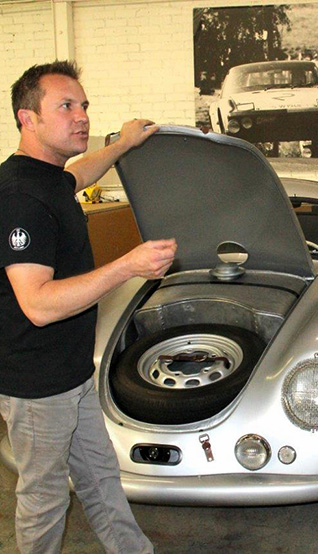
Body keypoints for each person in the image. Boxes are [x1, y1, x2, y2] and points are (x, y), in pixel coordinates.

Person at [0, 60, 177, 553]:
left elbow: (77, 174)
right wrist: (128, 266)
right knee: (44, 499)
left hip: (71, 375)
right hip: (37, 388)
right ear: (27, 119)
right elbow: (36, 304)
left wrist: (121, 145)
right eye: (65, 106)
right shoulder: (19, 196)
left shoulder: (48, 177)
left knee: (100, 480)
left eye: (83, 106)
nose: (81, 117)